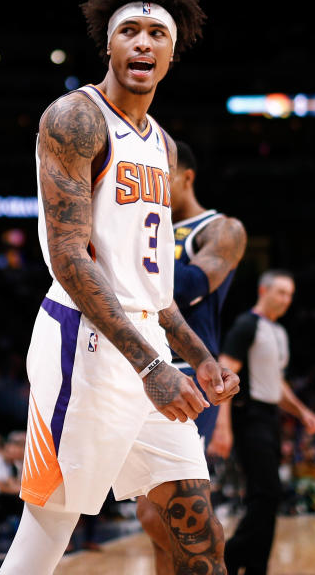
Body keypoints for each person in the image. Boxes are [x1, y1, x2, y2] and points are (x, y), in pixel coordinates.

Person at [0, 0, 239, 575]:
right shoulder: (75, 119)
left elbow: (152, 287)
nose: (142, 43)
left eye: (156, 34)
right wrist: (154, 365)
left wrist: (199, 354)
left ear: (172, 51)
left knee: (197, 528)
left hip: (148, 346)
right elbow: (70, 257)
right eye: (128, 30)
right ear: (108, 44)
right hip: (82, 344)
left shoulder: (160, 143)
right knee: (47, 532)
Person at [135, 140, 246, 575]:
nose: (154, 183)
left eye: (162, 173)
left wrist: (125, 260)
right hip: (138, 369)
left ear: (187, 177)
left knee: (167, 515)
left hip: (184, 376)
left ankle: (219, 564)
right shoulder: (145, 226)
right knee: (155, 526)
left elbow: (187, 286)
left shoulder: (222, 228)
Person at [214, 270, 315, 575]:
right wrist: (223, 427)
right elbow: (225, 374)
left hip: (270, 418)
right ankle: (228, 558)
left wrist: (302, 412)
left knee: (268, 497)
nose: (286, 300)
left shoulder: (279, 332)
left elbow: (278, 384)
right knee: (267, 492)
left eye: (290, 295)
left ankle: (257, 566)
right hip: (249, 416)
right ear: (264, 290)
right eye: (281, 292)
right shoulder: (246, 325)